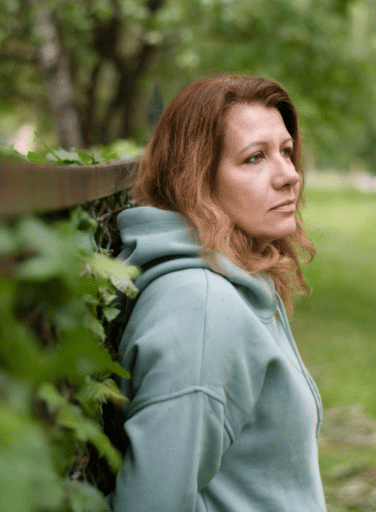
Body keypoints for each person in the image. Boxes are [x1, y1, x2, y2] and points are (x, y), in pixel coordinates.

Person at [105, 73, 327, 511]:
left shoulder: (231, 280)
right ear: (197, 179)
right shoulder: (202, 311)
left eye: (285, 151)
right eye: (254, 158)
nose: (289, 176)